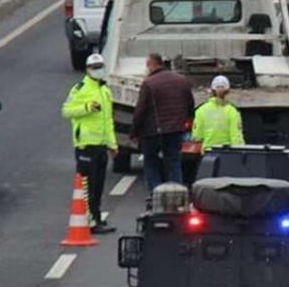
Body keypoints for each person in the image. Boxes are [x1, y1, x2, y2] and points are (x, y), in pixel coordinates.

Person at [61, 53, 117, 234]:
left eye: (100, 66)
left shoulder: (105, 90)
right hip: (85, 144)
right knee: (88, 184)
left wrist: (112, 144)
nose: (98, 70)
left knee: (99, 184)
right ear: (87, 70)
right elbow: (66, 111)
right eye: (94, 68)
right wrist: (86, 108)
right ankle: (89, 219)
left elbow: (108, 120)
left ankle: (96, 218)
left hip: (100, 144)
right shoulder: (80, 88)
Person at [131, 53, 195, 193]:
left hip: (152, 131)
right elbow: (190, 104)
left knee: (151, 162)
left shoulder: (149, 83)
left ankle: (156, 196)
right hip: (176, 130)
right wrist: (187, 122)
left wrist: (134, 132)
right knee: (173, 161)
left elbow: (140, 110)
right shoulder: (182, 80)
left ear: (152, 64)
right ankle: (177, 195)